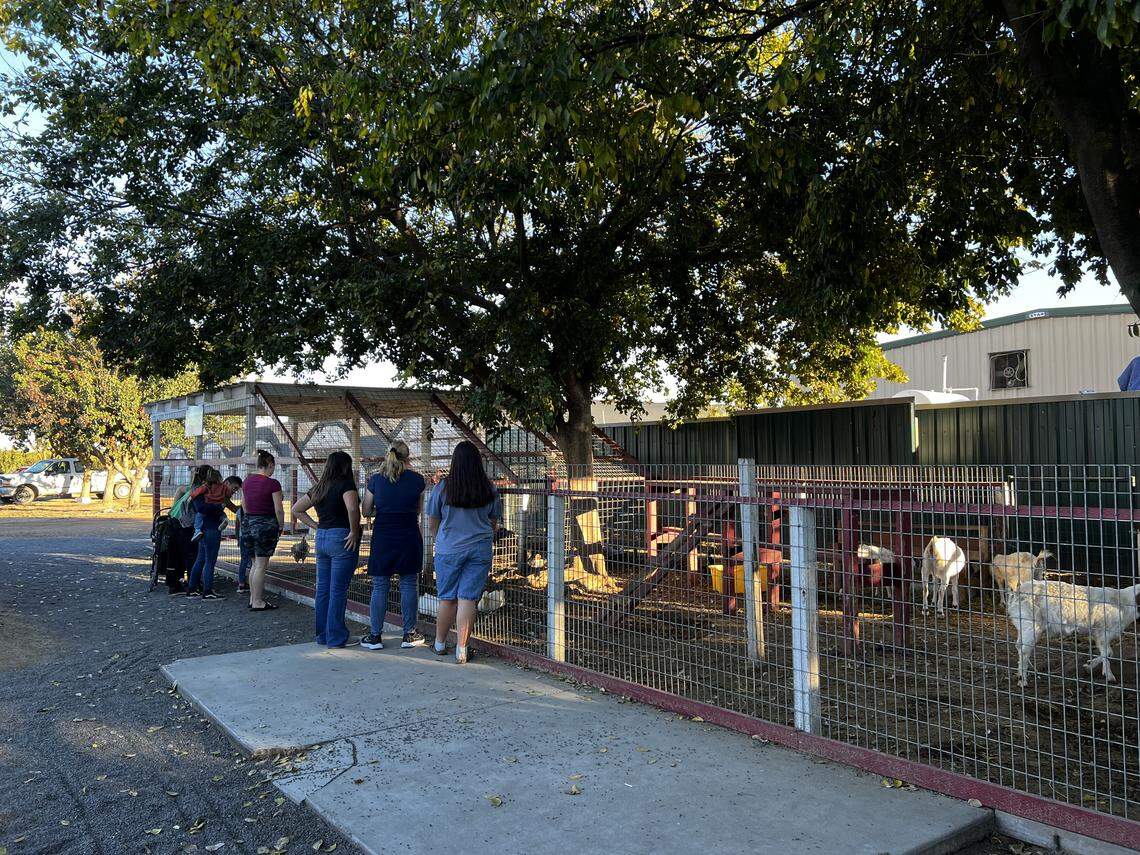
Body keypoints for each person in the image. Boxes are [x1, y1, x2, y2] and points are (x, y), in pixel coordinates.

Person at [426, 441, 502, 664]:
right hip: (479, 549)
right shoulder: (489, 488)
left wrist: (440, 538)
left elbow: (432, 521)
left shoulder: (443, 487)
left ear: (454, 462)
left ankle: (439, 644)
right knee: (468, 599)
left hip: (448, 549)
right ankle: (462, 649)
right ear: (478, 462)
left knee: (447, 598)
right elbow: (493, 522)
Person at [360, 440, 426, 650]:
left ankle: (374, 636)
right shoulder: (418, 480)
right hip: (408, 535)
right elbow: (418, 510)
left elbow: (366, 509)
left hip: (383, 537)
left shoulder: (376, 480)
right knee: (408, 584)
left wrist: (380, 511)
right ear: (408, 457)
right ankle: (409, 634)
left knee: (380, 585)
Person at [291, 451, 361, 648]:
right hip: (342, 538)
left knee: (323, 589)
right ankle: (337, 637)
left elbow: (296, 509)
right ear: (346, 466)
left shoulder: (319, 487)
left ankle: (322, 635)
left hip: (322, 537)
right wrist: (354, 531)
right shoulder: (346, 485)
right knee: (338, 589)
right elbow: (353, 509)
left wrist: (315, 526)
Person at [241, 450, 285, 611]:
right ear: (270, 465)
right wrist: (280, 525)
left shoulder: (247, 481)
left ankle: (253, 598)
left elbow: (244, 505)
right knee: (261, 565)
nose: (274, 470)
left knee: (253, 563)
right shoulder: (273, 484)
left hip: (248, 523)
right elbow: (278, 509)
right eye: (273, 467)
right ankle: (258, 601)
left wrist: (250, 519)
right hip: (265, 525)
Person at [187, 470, 240, 599]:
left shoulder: (215, 494)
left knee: (201, 559)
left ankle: (192, 589)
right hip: (211, 529)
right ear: (226, 483)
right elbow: (206, 508)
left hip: (204, 529)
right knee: (210, 561)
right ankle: (208, 591)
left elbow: (234, 508)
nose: (235, 492)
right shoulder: (214, 493)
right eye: (234, 488)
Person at [167, 464, 211, 594]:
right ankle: (194, 585)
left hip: (172, 521)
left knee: (174, 556)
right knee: (191, 555)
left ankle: (174, 584)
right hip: (183, 526)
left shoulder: (189, 489)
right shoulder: (202, 490)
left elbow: (180, 489)